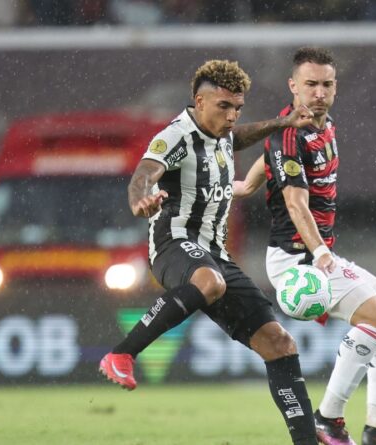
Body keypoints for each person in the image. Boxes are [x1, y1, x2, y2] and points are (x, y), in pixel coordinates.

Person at [98, 59, 319, 445]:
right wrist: (141, 200)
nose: (232, 116)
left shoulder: (220, 134)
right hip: (173, 244)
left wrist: (282, 123)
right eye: (223, 107)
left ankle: (306, 441)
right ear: (199, 101)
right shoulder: (176, 136)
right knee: (209, 281)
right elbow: (144, 173)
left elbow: (239, 137)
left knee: (279, 342)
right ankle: (121, 354)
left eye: (237, 108)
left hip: (215, 254)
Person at [234, 47, 376, 445]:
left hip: (317, 251)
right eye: (310, 84)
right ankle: (327, 420)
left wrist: (245, 185)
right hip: (297, 259)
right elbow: (297, 204)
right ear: (293, 86)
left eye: (327, 84)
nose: (319, 92)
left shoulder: (322, 123)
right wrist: (321, 255)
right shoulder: (289, 134)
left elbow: (269, 162)